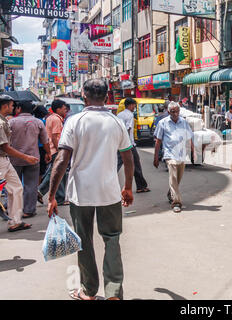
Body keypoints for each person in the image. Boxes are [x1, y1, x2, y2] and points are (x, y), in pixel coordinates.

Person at [47, 79, 134, 300]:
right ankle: (114, 292)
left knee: (83, 241)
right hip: (110, 192)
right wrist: (127, 187)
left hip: (81, 193)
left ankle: (88, 291)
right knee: (112, 239)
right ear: (106, 97)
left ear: (84, 96)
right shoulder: (116, 122)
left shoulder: (75, 121)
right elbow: (128, 157)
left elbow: (61, 160)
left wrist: (51, 196)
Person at [0, 95, 39, 232]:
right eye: (11, 105)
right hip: (2, 161)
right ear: (5, 106)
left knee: (16, 188)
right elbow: (5, 147)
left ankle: (15, 221)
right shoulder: (1, 123)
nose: (13, 108)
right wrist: (26, 157)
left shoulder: (6, 121)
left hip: (6, 161)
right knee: (15, 188)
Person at [9, 101, 51, 219]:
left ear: (19, 109)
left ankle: (12, 210)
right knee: (31, 185)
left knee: (13, 186)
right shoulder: (38, 122)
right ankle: (29, 210)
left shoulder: (11, 122)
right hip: (33, 158)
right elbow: (45, 140)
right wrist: (48, 153)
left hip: (14, 158)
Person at [153, 102, 194, 213]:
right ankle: (176, 202)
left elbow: (189, 137)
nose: (175, 114)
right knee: (173, 177)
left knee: (178, 178)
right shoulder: (163, 123)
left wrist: (193, 152)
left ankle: (170, 193)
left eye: (177, 111)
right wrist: (155, 157)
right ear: (168, 112)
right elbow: (158, 141)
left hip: (181, 154)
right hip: (169, 154)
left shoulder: (184, 122)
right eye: (172, 112)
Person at [38, 99, 68, 205]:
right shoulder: (56, 119)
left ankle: (41, 191)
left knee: (54, 172)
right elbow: (55, 136)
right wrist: (60, 151)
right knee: (59, 173)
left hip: (52, 149)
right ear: (58, 109)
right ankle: (58, 198)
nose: (66, 111)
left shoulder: (50, 118)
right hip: (56, 149)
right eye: (64, 109)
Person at [117, 98, 150, 193]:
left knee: (118, 164)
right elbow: (127, 129)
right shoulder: (129, 115)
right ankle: (141, 186)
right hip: (129, 145)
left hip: (120, 143)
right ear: (130, 105)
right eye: (134, 105)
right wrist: (126, 144)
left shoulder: (119, 115)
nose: (134, 107)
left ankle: (141, 185)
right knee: (136, 164)